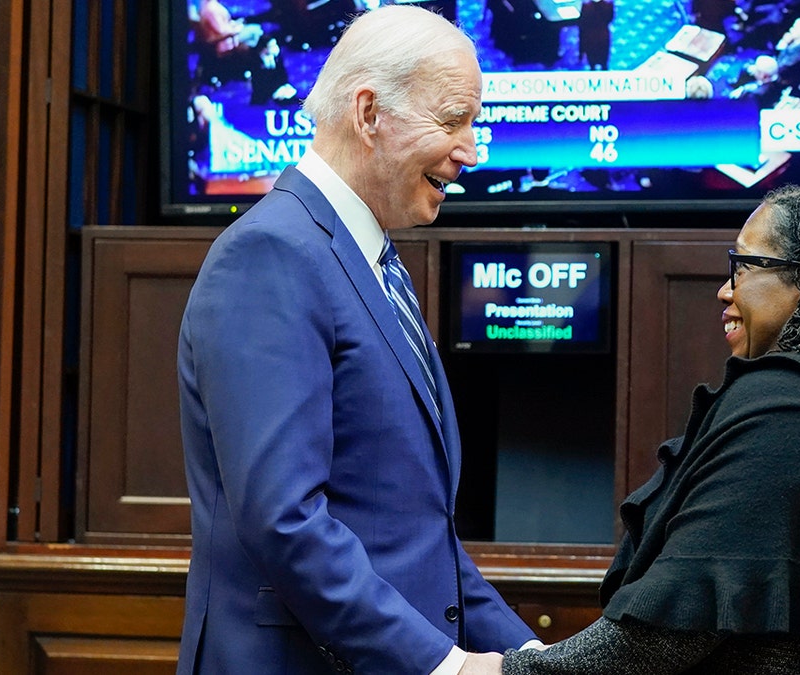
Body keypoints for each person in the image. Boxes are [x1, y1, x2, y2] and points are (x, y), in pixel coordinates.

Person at [176, 7, 539, 674]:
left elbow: (411, 530)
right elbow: (286, 523)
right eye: (454, 119)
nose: (472, 149)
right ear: (368, 113)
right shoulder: (271, 254)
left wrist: (530, 655)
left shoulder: (369, 259)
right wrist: (446, 665)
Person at [502, 183, 800, 674]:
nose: (726, 289)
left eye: (744, 265)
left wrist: (501, 671)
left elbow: (666, 634)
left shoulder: (788, 413)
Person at [578, 0, 615, 70]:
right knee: (603, 62)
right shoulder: (607, 6)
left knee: (593, 63)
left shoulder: (587, 7)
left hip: (591, 38)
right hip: (602, 36)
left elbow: (583, 24)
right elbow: (610, 18)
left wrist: (581, 51)